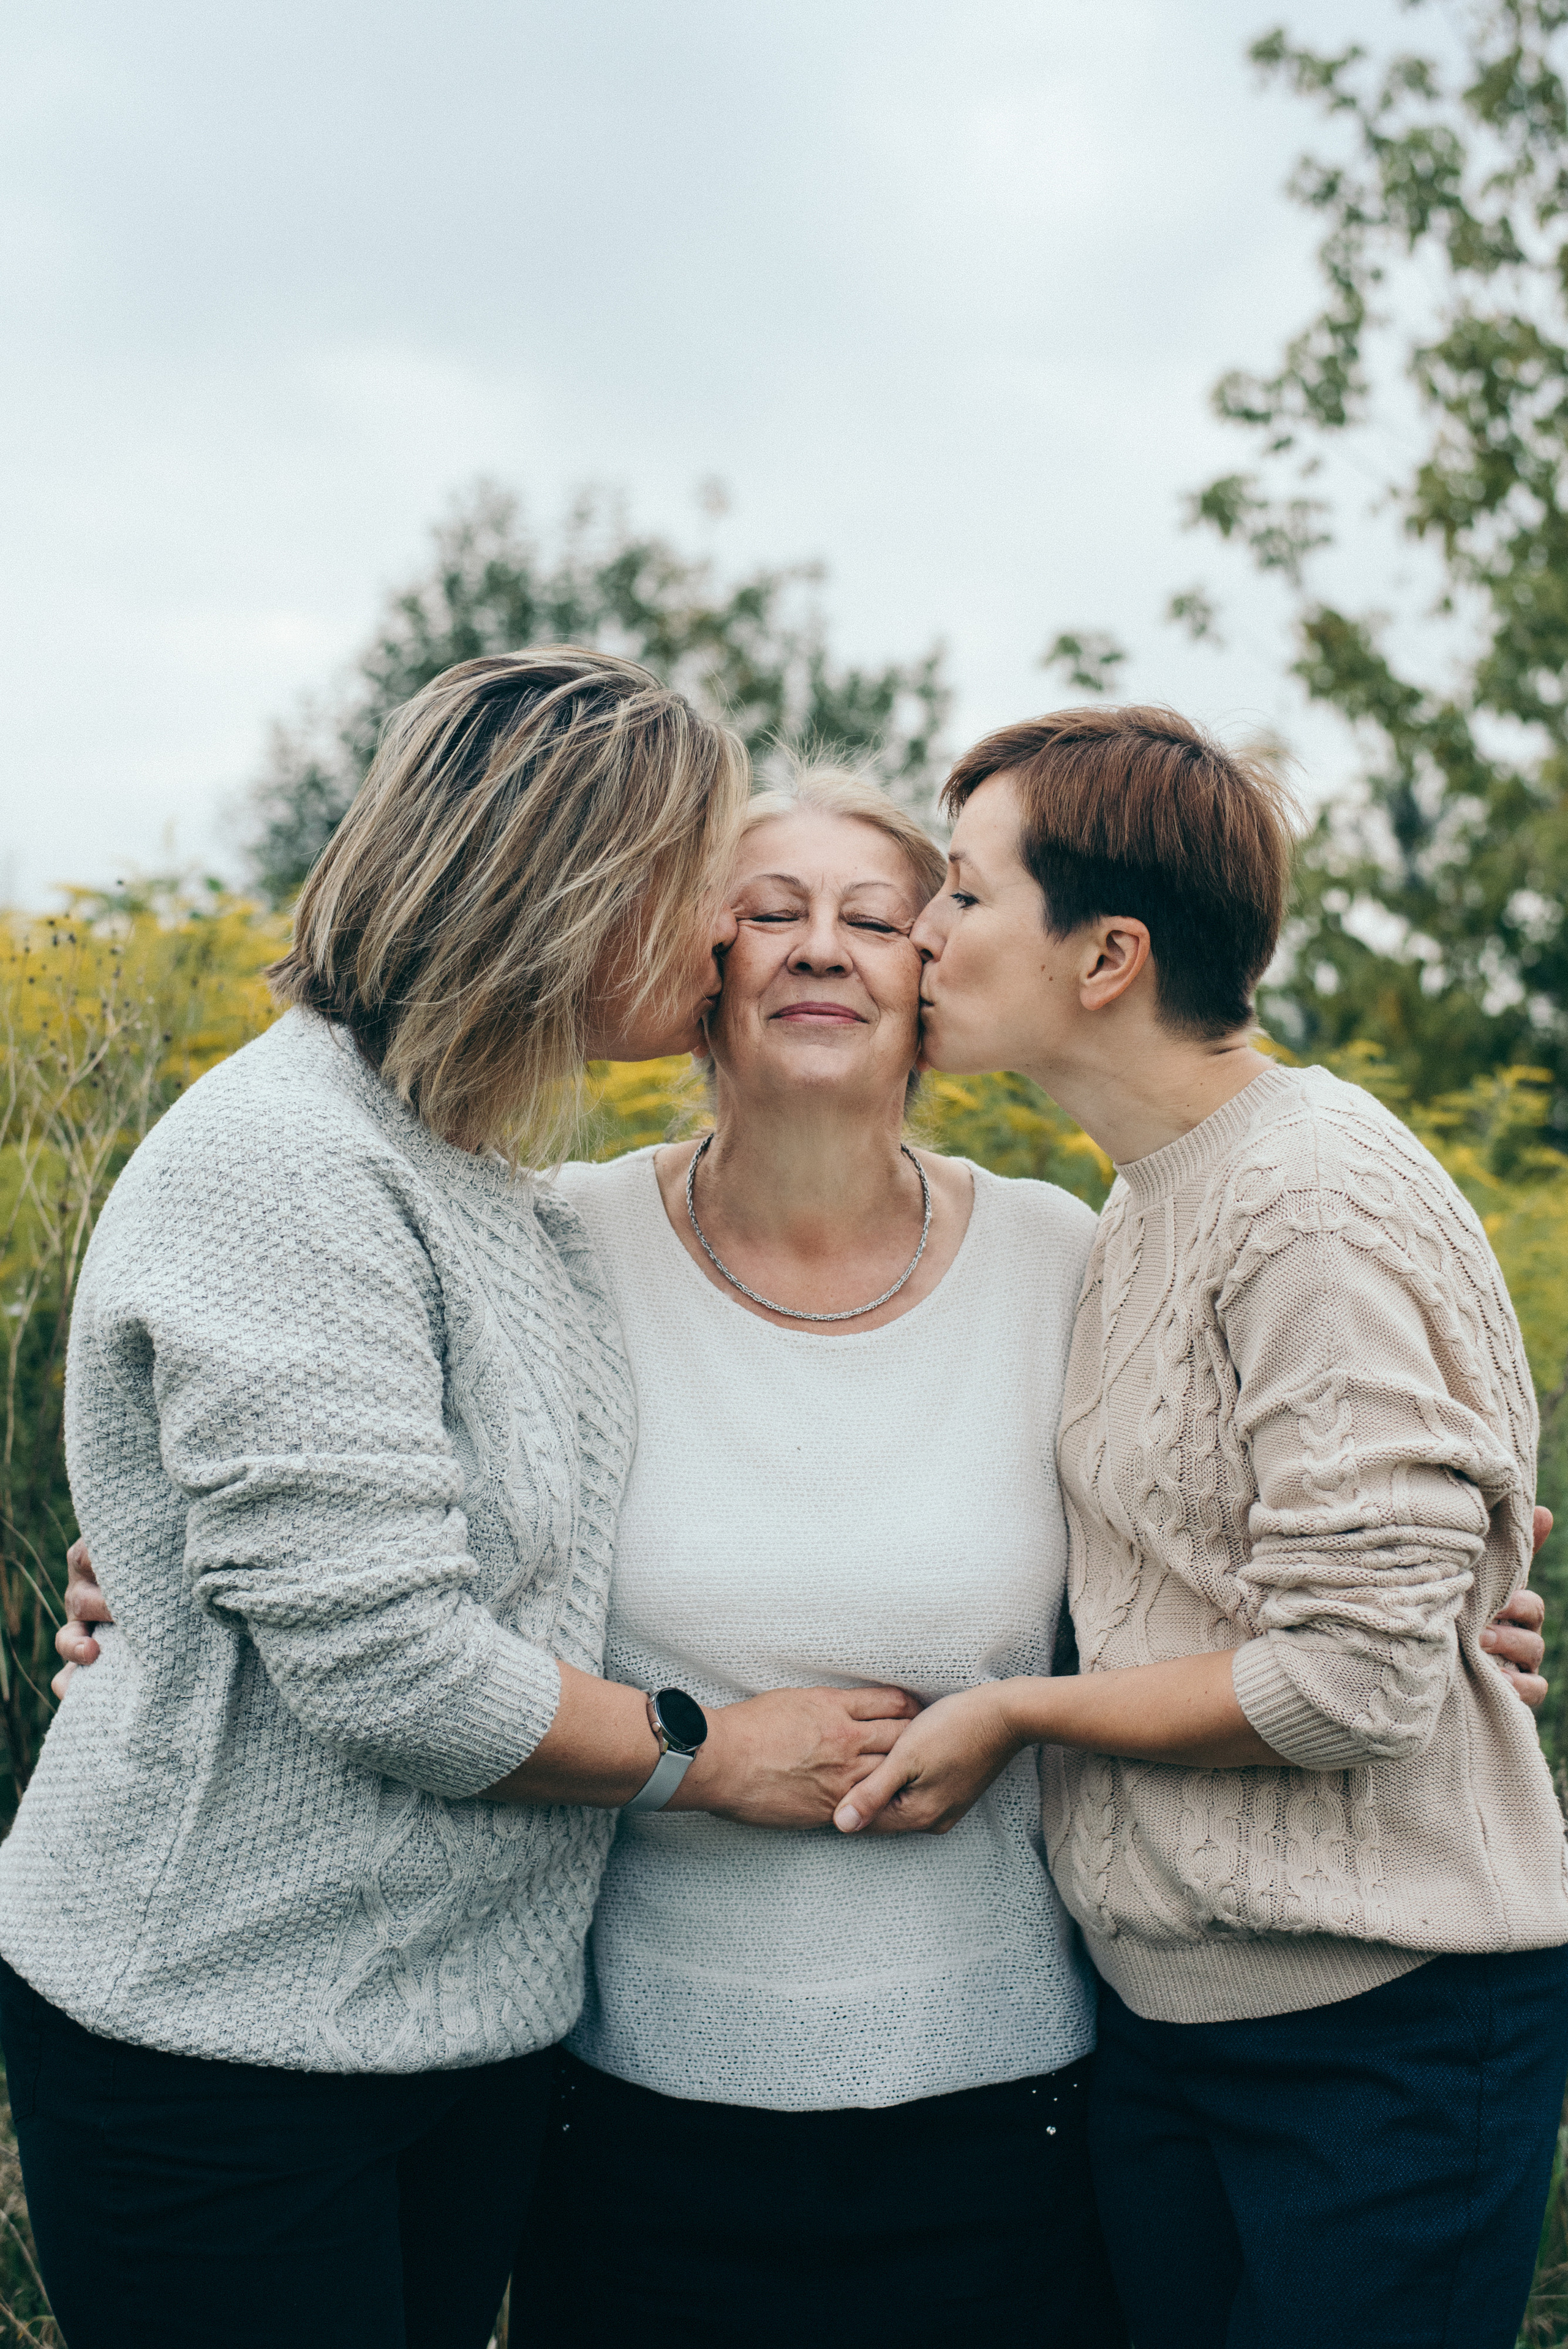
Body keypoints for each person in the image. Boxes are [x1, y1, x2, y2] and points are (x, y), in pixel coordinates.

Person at [48, 742, 1553, 2344]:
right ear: (696, 970)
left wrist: (1460, 1611)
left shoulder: (1071, 1256)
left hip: (1018, 2103)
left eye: (887, 910)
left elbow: (1223, 1543)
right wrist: (146, 1584)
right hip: (626, 2104)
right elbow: (352, 1526)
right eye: (766, 911)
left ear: (940, 974)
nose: (822, 943)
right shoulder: (554, 1243)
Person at [0, 651, 920, 2349]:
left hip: (457, 2028)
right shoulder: (284, 1167)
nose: (732, 936)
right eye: (705, 887)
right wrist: (717, 1751)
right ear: (576, 890)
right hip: (220, 2035)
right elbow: (393, 1671)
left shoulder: (489, 1182)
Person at [840, 704, 1568, 2349]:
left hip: (1382, 2031)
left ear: (1106, 956)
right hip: (1176, 2014)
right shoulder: (1153, 1190)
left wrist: (1019, 1712)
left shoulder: (1307, 1202)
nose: (921, 936)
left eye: (962, 895)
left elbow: (1352, 1687)